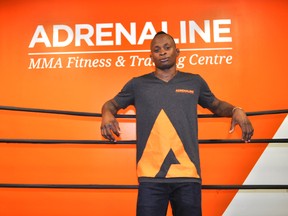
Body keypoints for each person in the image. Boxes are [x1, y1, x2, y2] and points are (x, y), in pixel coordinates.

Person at [100, 31, 254, 216]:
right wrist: (107, 114)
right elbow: (111, 104)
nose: (162, 52)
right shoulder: (137, 84)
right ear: (151, 57)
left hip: (188, 176)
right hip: (151, 178)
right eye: (157, 50)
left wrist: (236, 110)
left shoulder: (194, 81)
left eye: (167, 47)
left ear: (177, 51)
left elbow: (217, 105)